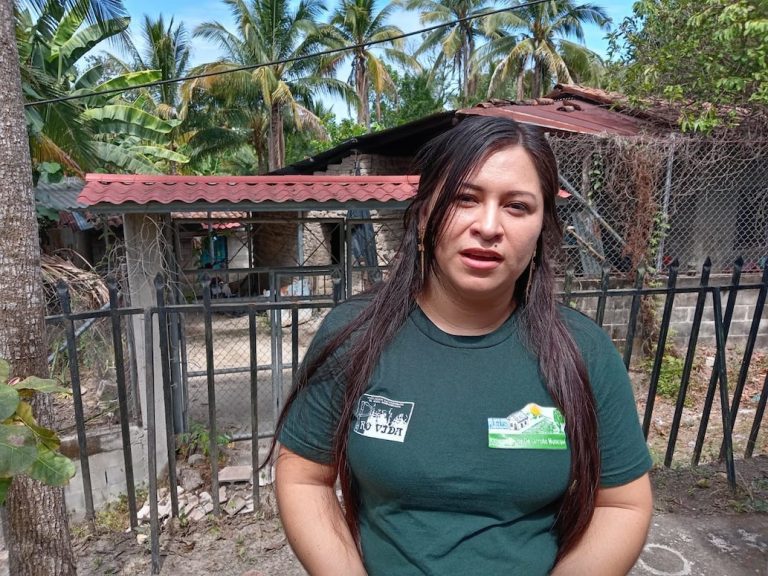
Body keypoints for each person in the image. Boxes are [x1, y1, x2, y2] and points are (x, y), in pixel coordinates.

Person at [269, 116, 653, 575]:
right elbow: (303, 476)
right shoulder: (353, 334)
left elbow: (622, 504)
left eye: (517, 206)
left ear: (541, 228)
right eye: (464, 199)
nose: (488, 226)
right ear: (424, 213)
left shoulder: (584, 351)